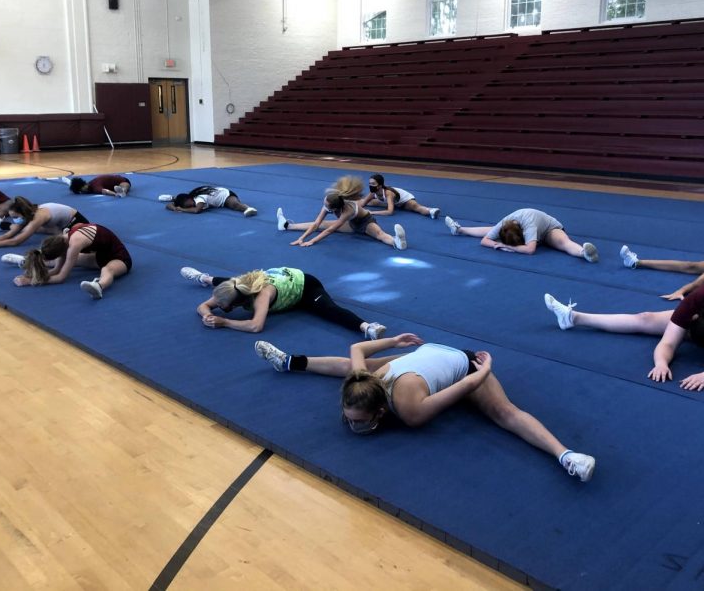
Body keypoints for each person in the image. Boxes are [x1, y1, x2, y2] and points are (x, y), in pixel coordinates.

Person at [254, 333, 596, 482]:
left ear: (381, 413)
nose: (351, 423)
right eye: (350, 417)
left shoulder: (410, 411)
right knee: (348, 364)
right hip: (420, 354)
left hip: (463, 363)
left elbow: (464, 388)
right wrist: (393, 341)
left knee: (504, 413)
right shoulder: (361, 381)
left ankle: (566, 455)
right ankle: (289, 362)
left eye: (358, 420)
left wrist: (486, 370)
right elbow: (357, 348)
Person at [544, 277, 704, 391]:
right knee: (645, 318)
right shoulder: (694, 302)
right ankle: (574, 318)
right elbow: (668, 343)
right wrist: (661, 363)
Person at [181, 265, 387, 339]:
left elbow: (255, 326)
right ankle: (204, 278)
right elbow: (203, 306)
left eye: (224, 308)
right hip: (271, 283)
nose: (222, 309)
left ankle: (367, 327)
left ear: (236, 303)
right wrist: (206, 315)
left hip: (304, 287)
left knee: (329, 309)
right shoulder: (233, 287)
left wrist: (225, 322)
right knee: (225, 280)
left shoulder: (262, 295)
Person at [276, 175, 407, 250]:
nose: (324, 206)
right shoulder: (330, 202)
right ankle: (287, 226)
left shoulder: (348, 210)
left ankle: (396, 242)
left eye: (327, 206)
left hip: (364, 222)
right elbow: (316, 224)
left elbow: (330, 231)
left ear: (334, 209)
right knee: (322, 224)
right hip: (351, 224)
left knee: (379, 234)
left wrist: (312, 241)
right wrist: (302, 238)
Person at [13, 223, 132, 299]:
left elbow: (61, 278)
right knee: (62, 263)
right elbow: (56, 270)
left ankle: (99, 286)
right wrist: (35, 275)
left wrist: (31, 281)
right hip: (98, 257)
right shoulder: (62, 240)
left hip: (119, 258)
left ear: (61, 252)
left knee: (107, 269)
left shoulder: (74, 244)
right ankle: (28, 261)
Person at [444, 208, 598, 262]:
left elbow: (530, 250)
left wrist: (505, 246)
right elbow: (485, 241)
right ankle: (460, 229)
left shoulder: (529, 225)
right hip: (525, 233)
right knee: (490, 230)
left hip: (548, 230)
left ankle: (583, 253)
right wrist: (498, 244)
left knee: (563, 242)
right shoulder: (504, 222)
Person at [0, 197, 88, 249]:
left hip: (78, 223)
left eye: (15, 217)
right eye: (12, 217)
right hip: (60, 224)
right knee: (27, 228)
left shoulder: (38, 217)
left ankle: (61, 233)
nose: (14, 219)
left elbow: (16, 241)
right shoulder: (27, 213)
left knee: (60, 242)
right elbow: (9, 235)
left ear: (22, 213)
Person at [358, 174, 440, 219]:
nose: (370, 185)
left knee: (416, 207)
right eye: (369, 183)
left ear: (380, 185)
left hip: (405, 201)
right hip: (393, 202)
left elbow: (390, 212)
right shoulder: (372, 193)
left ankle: (431, 211)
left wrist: (372, 212)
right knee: (369, 202)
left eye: (373, 184)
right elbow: (363, 204)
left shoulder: (388, 193)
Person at [159, 185, 257, 217]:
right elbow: (169, 206)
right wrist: (175, 207)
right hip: (217, 194)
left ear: (189, 199)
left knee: (235, 205)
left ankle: (248, 208)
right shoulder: (191, 196)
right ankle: (172, 197)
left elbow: (196, 210)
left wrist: (181, 210)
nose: (189, 207)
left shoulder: (199, 199)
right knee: (178, 200)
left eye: (188, 205)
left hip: (226, 196)